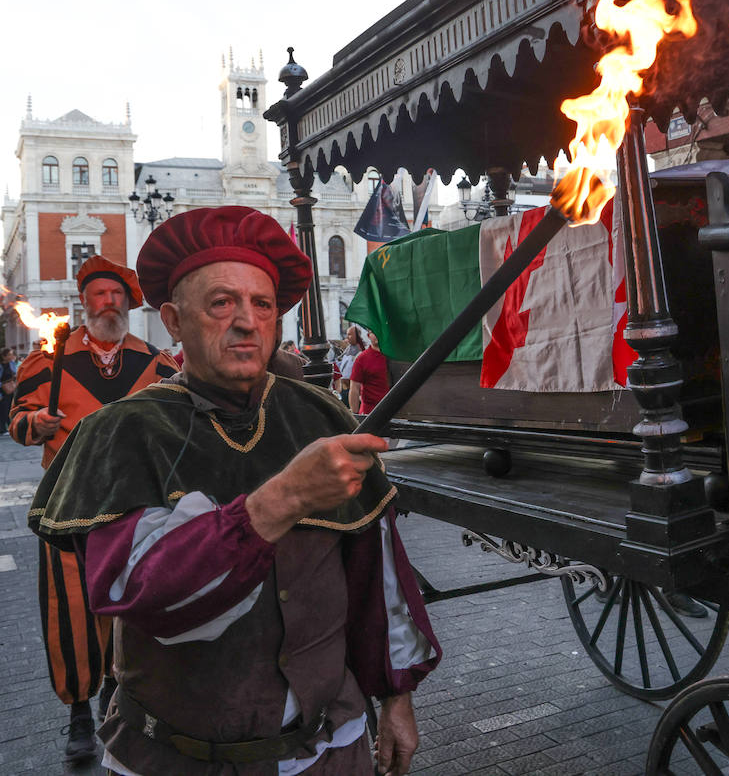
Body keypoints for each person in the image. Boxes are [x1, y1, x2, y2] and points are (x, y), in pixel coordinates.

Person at [28, 206, 440, 776]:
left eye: (263, 304)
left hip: (332, 747)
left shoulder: (321, 412)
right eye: (222, 303)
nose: (247, 322)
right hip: (178, 758)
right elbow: (142, 591)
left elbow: (378, 573)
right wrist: (283, 500)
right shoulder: (122, 431)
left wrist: (397, 697)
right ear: (173, 320)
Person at [9, 256, 179, 765]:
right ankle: (79, 712)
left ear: (127, 303)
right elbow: (16, 422)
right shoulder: (45, 363)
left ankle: (118, 697)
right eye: (98, 295)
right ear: (83, 303)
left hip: (136, 506)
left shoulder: (156, 362)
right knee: (72, 610)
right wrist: (36, 423)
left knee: (131, 602)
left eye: (116, 295)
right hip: (68, 504)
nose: (108, 303)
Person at [349, 330, 390, 415]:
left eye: (379, 330)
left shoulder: (394, 356)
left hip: (395, 412)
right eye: (373, 332)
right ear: (368, 335)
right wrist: (355, 414)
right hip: (370, 414)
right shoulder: (362, 359)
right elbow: (354, 388)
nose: (377, 334)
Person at [0, 348, 17, 435]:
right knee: (2, 409)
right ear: (4, 356)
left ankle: (9, 427)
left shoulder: (11, 364)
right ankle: (1, 428)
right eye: (9, 354)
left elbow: (15, 373)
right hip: (1, 390)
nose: (11, 356)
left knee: (10, 408)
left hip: (10, 389)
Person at [336, 326, 364, 407]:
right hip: (344, 387)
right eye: (347, 334)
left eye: (350, 335)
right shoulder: (347, 349)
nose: (347, 337)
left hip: (354, 388)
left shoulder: (361, 351)